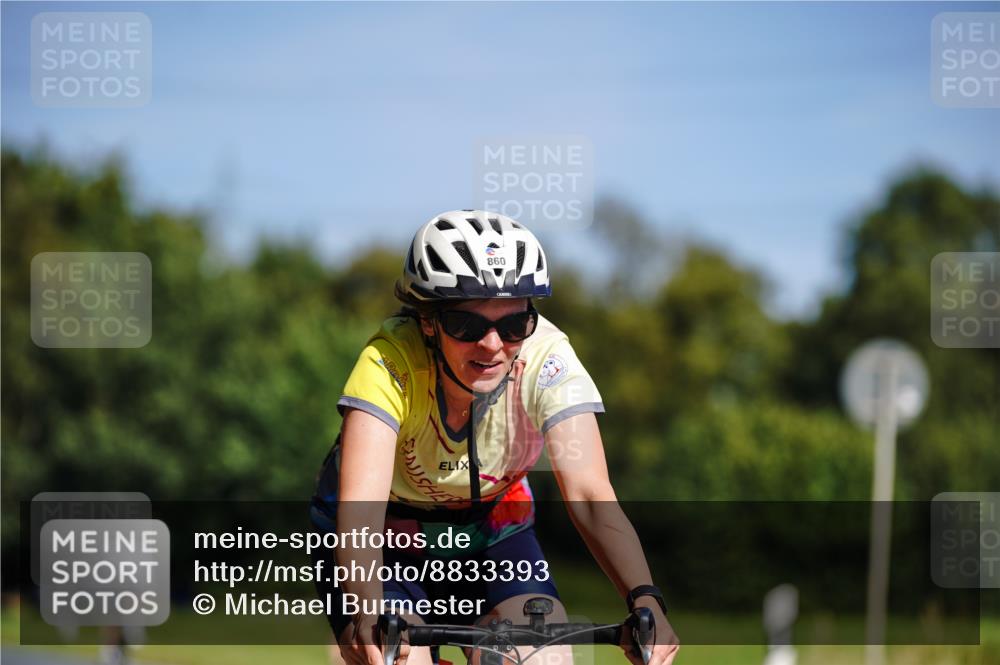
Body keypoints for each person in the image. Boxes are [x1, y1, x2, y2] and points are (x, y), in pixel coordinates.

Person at [310, 210, 679, 665]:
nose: (491, 344)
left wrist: (645, 598)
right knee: (397, 657)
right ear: (428, 322)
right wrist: (367, 610)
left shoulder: (548, 359)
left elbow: (588, 493)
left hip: (492, 528)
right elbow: (361, 508)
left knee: (542, 656)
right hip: (388, 531)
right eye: (466, 325)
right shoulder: (389, 362)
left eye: (512, 326)